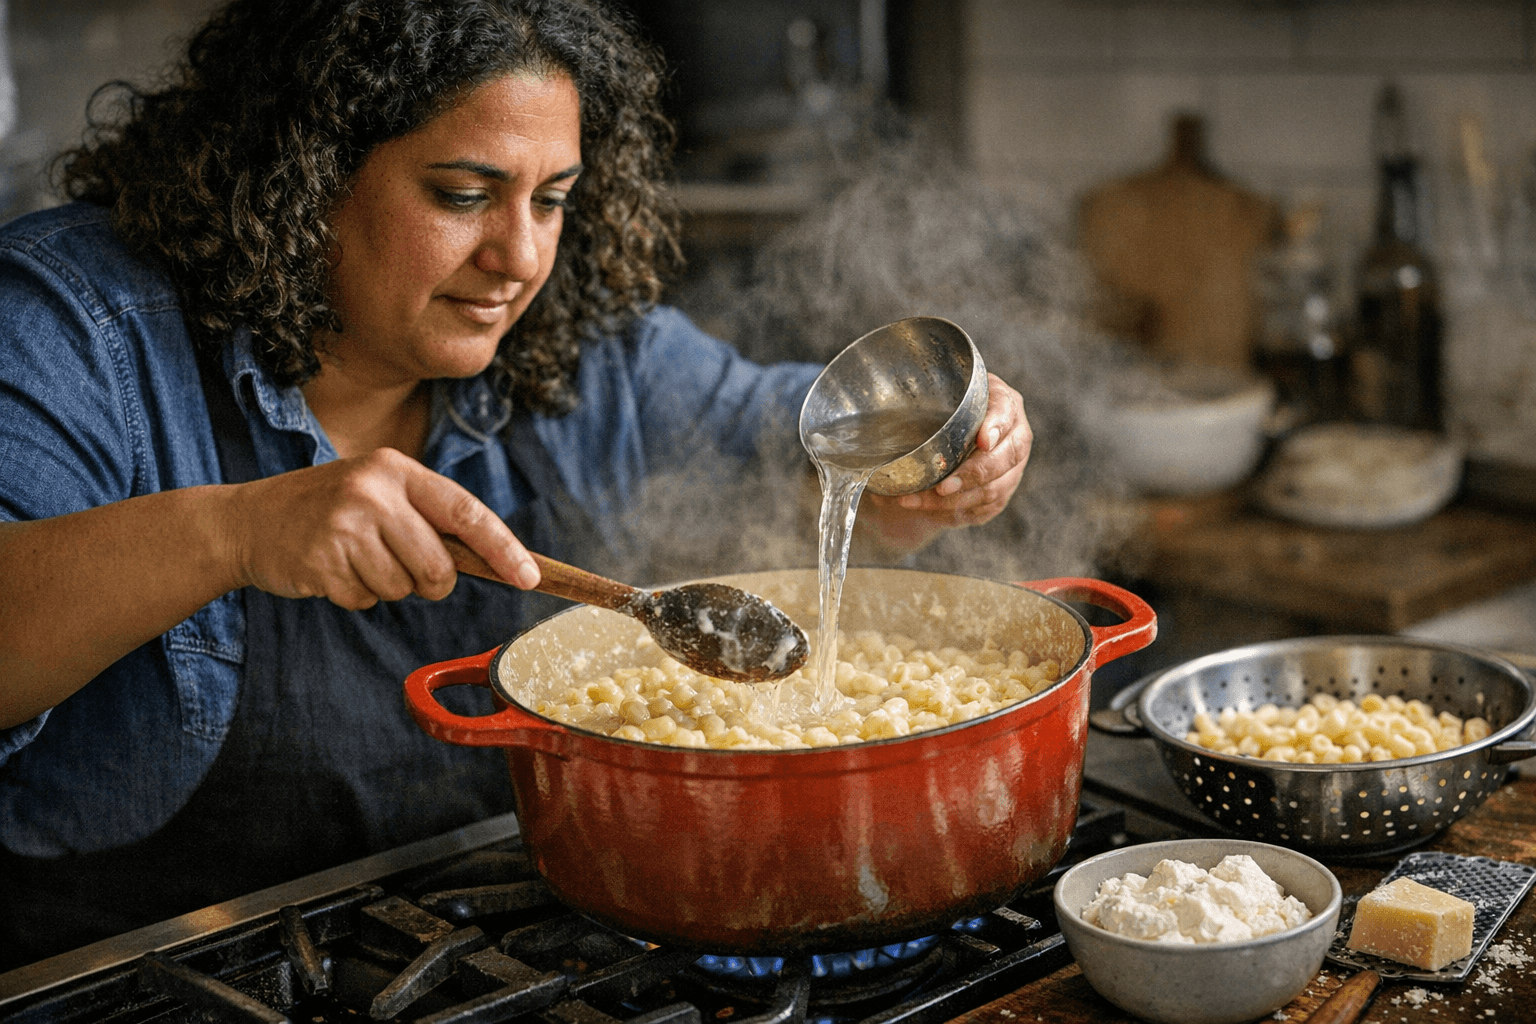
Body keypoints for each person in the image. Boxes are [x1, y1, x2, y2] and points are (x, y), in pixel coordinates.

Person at [0, 0, 1032, 965]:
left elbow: (797, 446)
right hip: (147, 972)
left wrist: (937, 456)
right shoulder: (73, 325)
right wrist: (232, 531)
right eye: (462, 195)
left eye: (553, 200)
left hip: (501, 951)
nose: (520, 257)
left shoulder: (582, 350)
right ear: (302, 171)